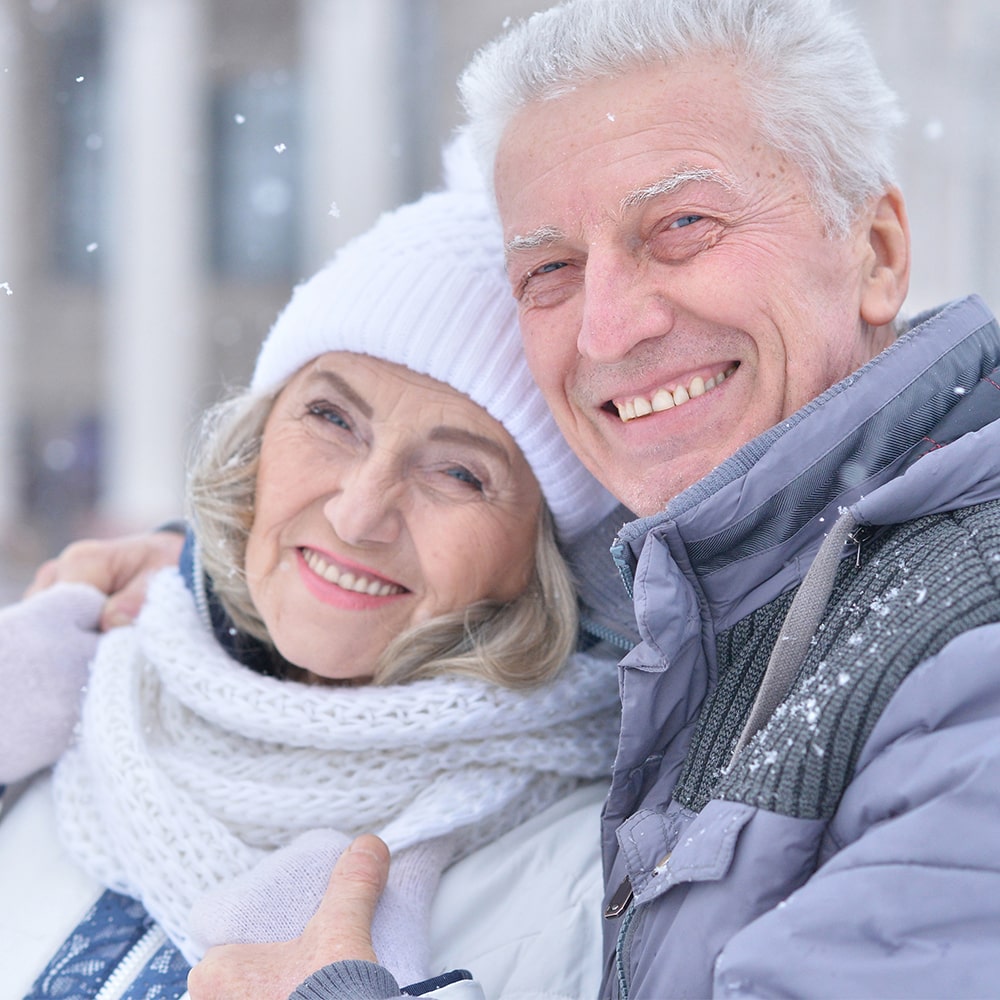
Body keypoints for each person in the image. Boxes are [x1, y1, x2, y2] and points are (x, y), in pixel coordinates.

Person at [27, 0, 1000, 997]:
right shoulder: (713, 619)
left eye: (681, 225)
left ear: (875, 250)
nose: (608, 328)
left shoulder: (963, 639)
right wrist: (213, 580)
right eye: (551, 269)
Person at [0, 156, 629, 1000]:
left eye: (459, 474)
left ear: (542, 558)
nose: (358, 513)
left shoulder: (591, 883)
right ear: (256, 441)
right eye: (331, 418)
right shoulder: (51, 716)